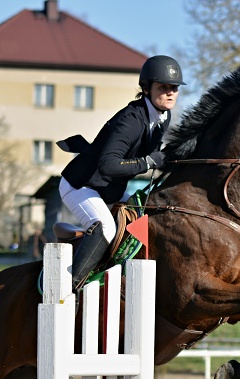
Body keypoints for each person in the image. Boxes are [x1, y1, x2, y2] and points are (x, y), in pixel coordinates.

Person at [57, 55, 185, 289]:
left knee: (153, 212)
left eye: (174, 88)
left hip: (109, 190)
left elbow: (153, 156)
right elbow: (108, 165)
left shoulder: (163, 116)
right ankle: (67, 288)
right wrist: (148, 161)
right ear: (146, 89)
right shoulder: (131, 120)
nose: (170, 93)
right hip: (81, 185)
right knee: (106, 227)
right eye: (163, 87)